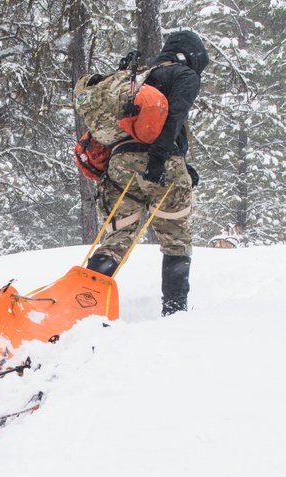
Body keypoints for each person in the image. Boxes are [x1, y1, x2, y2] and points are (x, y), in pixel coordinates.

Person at [84, 30, 209, 316]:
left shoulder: (136, 78)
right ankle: (175, 312)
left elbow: (132, 131)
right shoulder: (184, 75)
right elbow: (174, 118)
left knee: (116, 240)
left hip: (119, 167)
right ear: (193, 55)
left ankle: (84, 306)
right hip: (162, 166)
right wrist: (160, 160)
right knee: (175, 239)